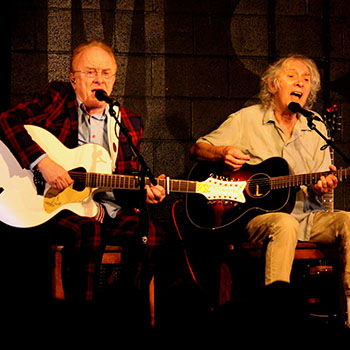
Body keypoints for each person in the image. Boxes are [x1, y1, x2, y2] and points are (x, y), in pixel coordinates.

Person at [0, 40, 166, 311]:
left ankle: (124, 309)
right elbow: (8, 120)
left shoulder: (128, 122)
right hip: (59, 208)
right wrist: (43, 163)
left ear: (114, 78)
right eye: (90, 72)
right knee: (90, 231)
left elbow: (122, 179)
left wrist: (144, 192)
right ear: (73, 79)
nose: (98, 80)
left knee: (153, 233)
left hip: (105, 210)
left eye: (105, 73)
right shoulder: (58, 98)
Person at [190, 54, 350, 329]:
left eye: (306, 80)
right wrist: (223, 152)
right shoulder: (247, 119)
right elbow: (198, 148)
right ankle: (277, 322)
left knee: (348, 220)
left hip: (308, 217)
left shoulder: (316, 127)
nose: (300, 82)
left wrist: (322, 186)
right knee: (284, 223)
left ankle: (348, 313)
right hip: (258, 218)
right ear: (273, 85)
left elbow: (321, 186)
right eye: (292, 76)